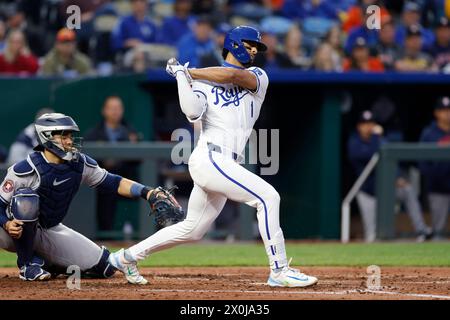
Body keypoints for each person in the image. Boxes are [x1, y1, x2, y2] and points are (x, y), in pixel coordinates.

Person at [109, 25, 319, 288]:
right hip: (210, 157)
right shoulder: (203, 83)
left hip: (225, 161)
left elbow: (231, 74)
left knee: (193, 229)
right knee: (268, 198)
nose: (254, 49)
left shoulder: (257, 75)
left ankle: (126, 257)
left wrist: (189, 72)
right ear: (233, 43)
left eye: (257, 47)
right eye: (249, 44)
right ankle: (279, 270)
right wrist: (181, 79)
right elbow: (192, 113)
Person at [0, 113, 164, 282]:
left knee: (105, 267)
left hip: (47, 229)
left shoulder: (79, 164)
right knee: (26, 199)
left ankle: (47, 262)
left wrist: (147, 192)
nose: (70, 141)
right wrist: (7, 223)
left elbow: (113, 182)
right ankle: (27, 265)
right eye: (63, 136)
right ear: (46, 137)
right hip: (10, 231)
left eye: (70, 136)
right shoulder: (25, 169)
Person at [348, 110, 432, 242]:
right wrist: (376, 136)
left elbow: (392, 161)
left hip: (385, 191)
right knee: (372, 235)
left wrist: (397, 177)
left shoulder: (382, 140)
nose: (368, 127)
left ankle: (421, 229)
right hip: (367, 193)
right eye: (364, 124)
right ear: (359, 126)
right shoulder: (355, 142)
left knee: (407, 189)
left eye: (370, 123)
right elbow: (370, 154)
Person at [84, 96, 139, 233]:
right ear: (104, 111)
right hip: (101, 182)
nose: (115, 112)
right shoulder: (94, 133)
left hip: (126, 177)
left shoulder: (131, 133)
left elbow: (138, 159)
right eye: (112, 108)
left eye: (118, 108)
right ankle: (104, 234)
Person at [419, 96, 450, 240]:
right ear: (436, 113)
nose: (447, 113)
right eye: (443, 110)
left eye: (449, 109)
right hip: (438, 189)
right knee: (438, 232)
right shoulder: (429, 133)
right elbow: (423, 163)